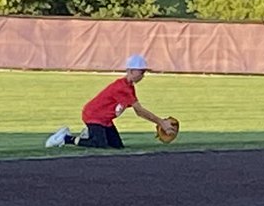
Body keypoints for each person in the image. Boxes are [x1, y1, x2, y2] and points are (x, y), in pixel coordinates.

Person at [45, 54, 178, 149]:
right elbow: (140, 111)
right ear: (131, 71)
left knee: (117, 147)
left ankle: (90, 134)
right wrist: (161, 122)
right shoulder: (122, 87)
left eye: (144, 72)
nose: (143, 75)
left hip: (105, 120)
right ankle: (66, 138)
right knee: (99, 144)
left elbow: (137, 110)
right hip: (93, 116)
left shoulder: (128, 86)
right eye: (141, 72)